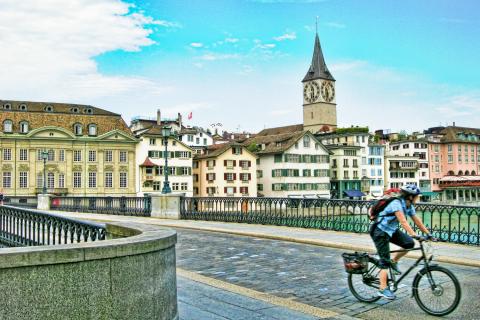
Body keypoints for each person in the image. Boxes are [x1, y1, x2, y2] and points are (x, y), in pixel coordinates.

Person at [370, 184, 432, 300]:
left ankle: (394, 261)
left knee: (409, 243)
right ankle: (383, 289)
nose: (417, 199)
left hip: (391, 230)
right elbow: (403, 221)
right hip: (380, 231)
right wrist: (414, 235)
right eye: (416, 197)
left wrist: (428, 234)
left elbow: (417, 220)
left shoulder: (409, 206)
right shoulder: (396, 203)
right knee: (384, 261)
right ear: (410, 196)